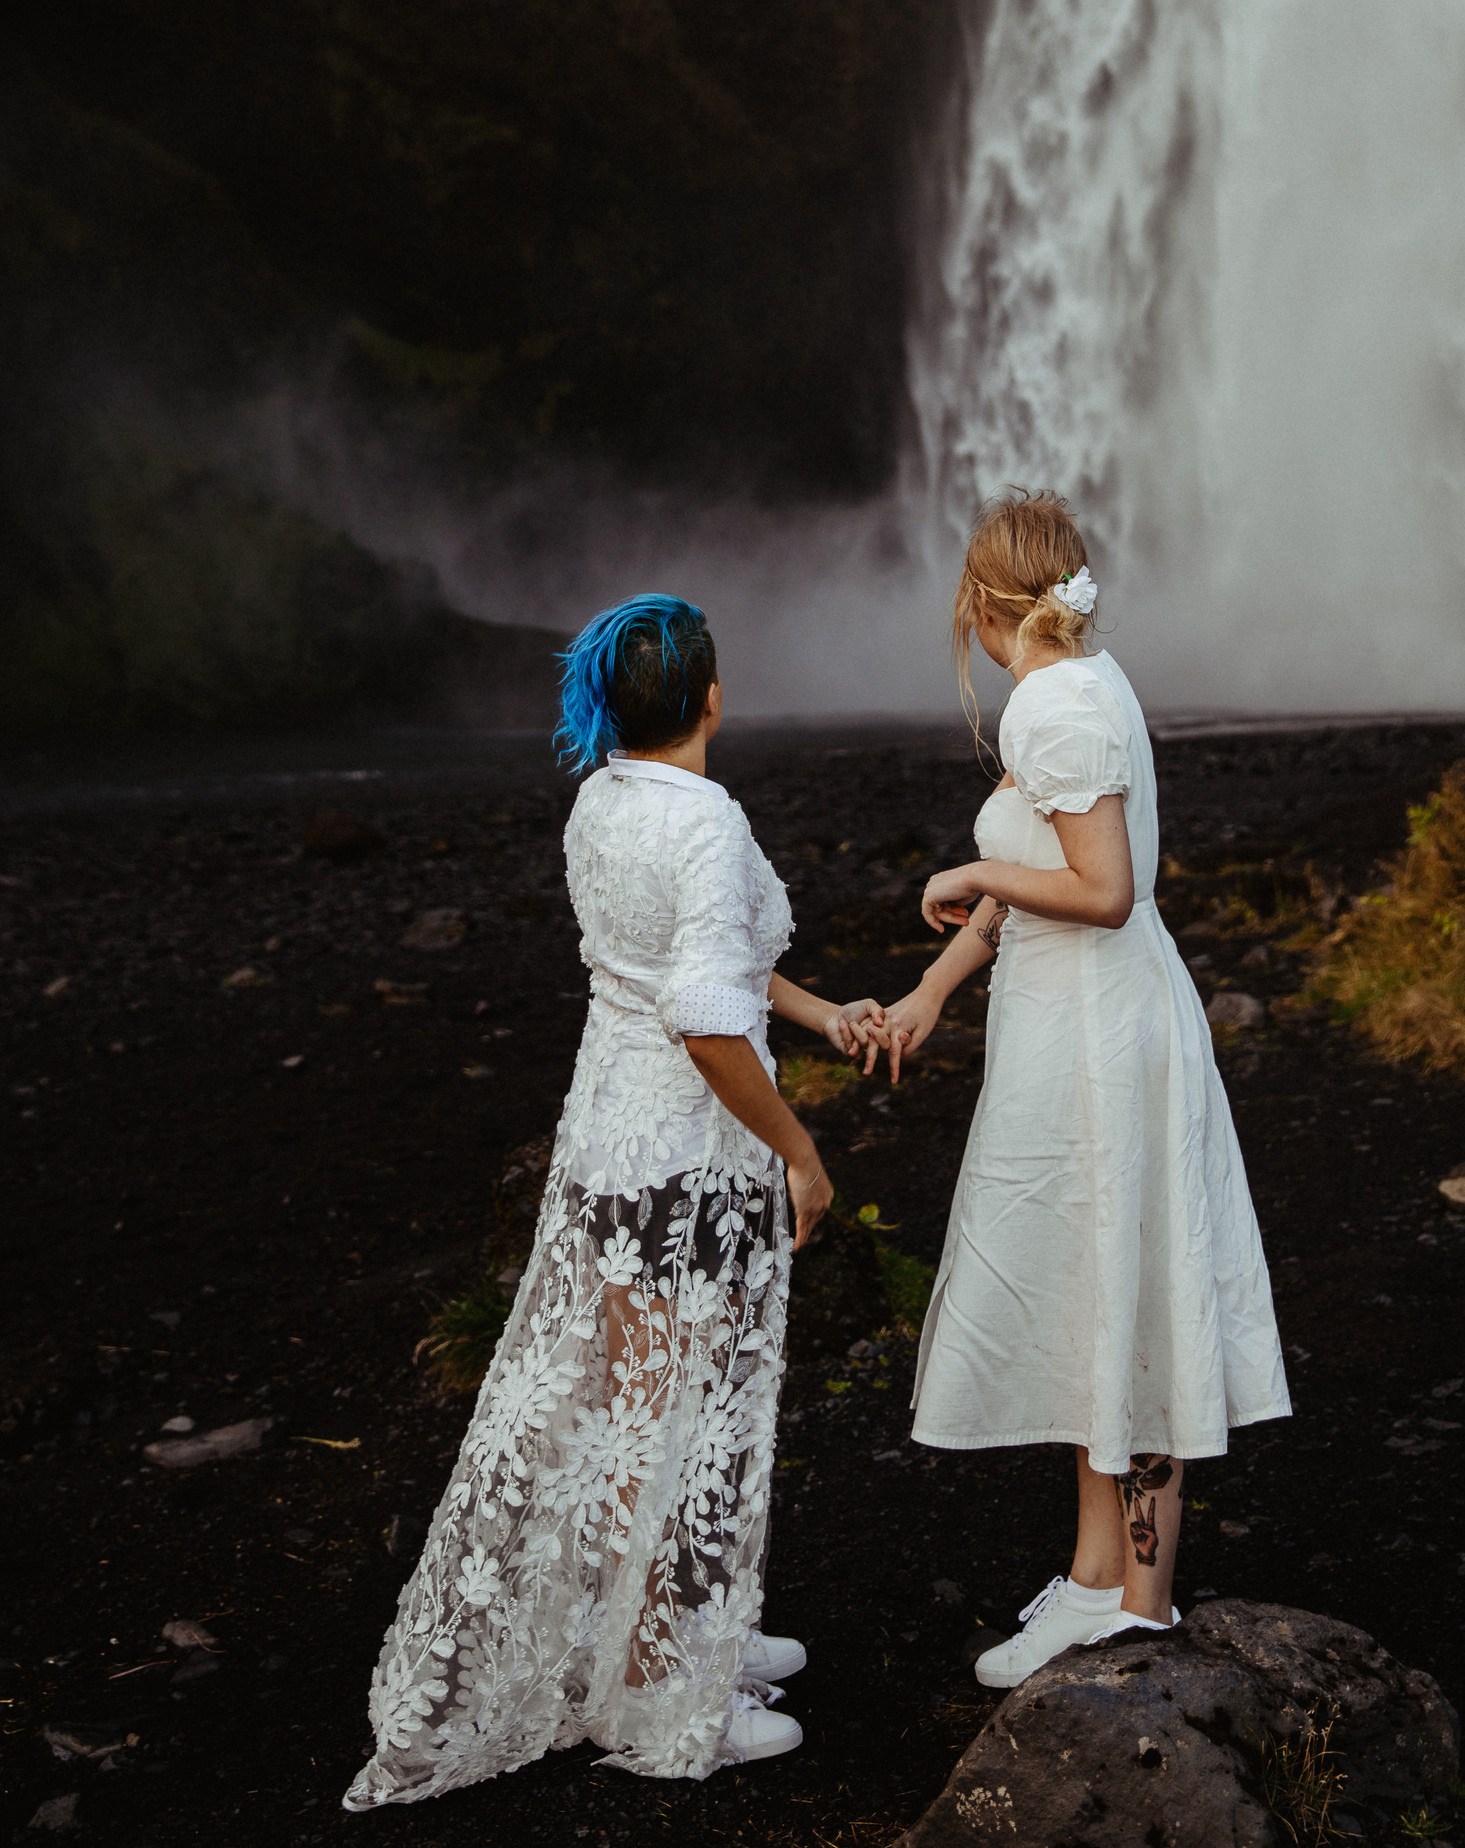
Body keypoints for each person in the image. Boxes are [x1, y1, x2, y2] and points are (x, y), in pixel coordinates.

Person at [343, 593, 884, 1805]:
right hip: (687, 1154)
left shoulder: (605, 797)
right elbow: (703, 1020)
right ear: (710, 699)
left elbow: (698, 966)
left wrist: (821, 1010)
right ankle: (656, 1684)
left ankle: (697, 1626)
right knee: (668, 1417)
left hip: (607, 1141)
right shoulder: (707, 820)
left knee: (642, 1401)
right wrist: (799, 1146)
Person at [869, 491, 1290, 1685]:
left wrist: (967, 862)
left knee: (1130, 1281)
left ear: (980, 596)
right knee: (1098, 1286)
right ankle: (1098, 1575)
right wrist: (937, 989)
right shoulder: (1085, 681)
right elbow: (1041, 874)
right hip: (1080, 1020)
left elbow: (1101, 887)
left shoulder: (1051, 702)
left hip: (1103, 1030)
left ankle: (1140, 1606)